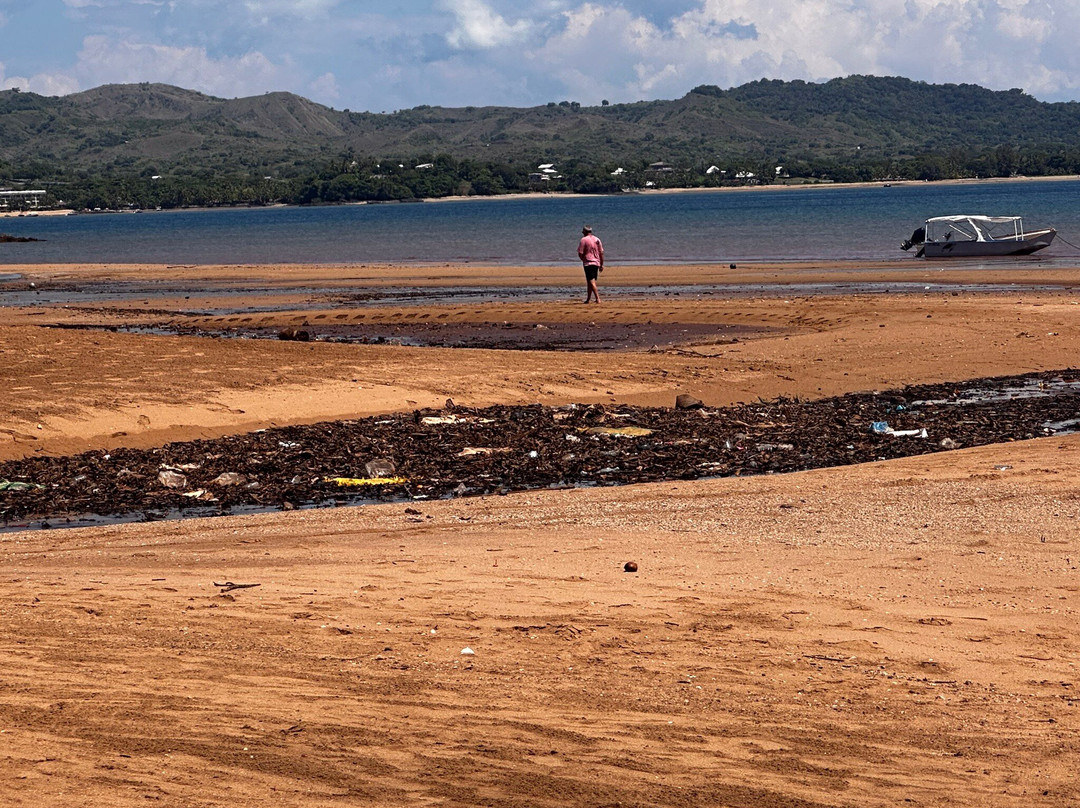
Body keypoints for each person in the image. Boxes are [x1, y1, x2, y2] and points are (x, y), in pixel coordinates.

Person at [577, 225, 604, 303]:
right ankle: (588, 299)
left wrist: (583, 259)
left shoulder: (583, 240)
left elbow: (580, 253)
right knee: (590, 281)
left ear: (585, 231)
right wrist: (601, 264)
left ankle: (597, 298)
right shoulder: (597, 239)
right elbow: (601, 253)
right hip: (596, 262)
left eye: (583, 231)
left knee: (591, 281)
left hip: (588, 263)